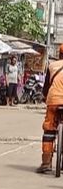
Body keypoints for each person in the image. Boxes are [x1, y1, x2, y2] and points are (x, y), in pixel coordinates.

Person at [35, 44, 63, 173]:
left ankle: (46, 162)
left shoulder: (52, 66)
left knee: (49, 130)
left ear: (59, 54)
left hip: (53, 101)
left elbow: (46, 86)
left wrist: (45, 97)